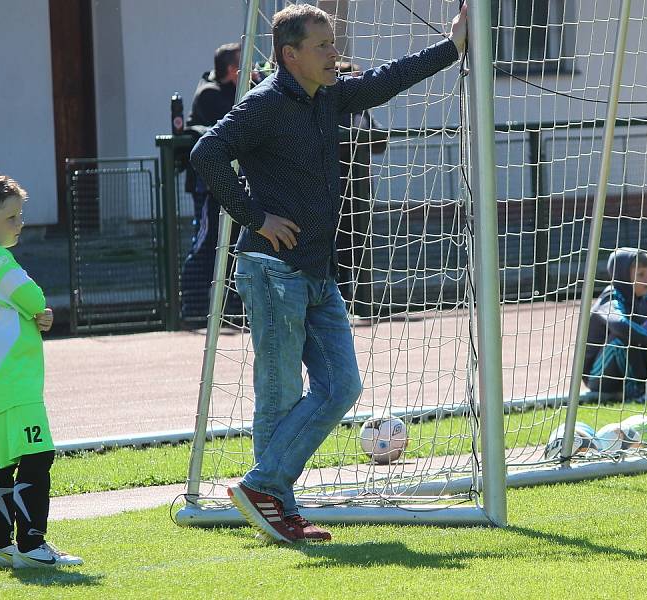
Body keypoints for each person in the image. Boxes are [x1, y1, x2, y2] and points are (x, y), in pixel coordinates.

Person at [191, 3, 468, 543]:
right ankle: (278, 510)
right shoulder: (265, 103)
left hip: (317, 271)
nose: (333, 53)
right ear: (289, 55)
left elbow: (387, 81)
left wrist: (452, 48)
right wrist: (257, 217)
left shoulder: (328, 96)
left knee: (342, 385)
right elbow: (207, 153)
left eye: (333, 43)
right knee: (277, 397)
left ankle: (265, 486)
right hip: (272, 271)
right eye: (323, 46)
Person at [0, 171, 82, 569]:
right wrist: (38, 310)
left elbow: (18, 306)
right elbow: (31, 294)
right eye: (12, 217)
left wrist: (35, 315)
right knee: (38, 454)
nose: (20, 224)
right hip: (13, 383)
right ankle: (31, 546)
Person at [181, 42, 242, 320]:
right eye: (243, 63)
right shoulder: (209, 94)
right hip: (208, 187)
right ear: (232, 69)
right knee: (206, 244)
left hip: (231, 183)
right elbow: (236, 121)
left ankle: (231, 305)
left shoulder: (234, 89)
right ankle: (191, 307)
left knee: (233, 245)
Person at [582, 248, 647, 402]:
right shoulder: (611, 297)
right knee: (623, 338)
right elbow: (620, 324)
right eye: (640, 275)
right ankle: (636, 393)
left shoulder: (644, 300)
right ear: (623, 276)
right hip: (600, 376)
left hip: (631, 371)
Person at [335, 61, 387, 304]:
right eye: (355, 77)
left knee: (361, 243)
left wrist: (362, 140)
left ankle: (363, 300)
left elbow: (380, 141)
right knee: (339, 243)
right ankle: (341, 296)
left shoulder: (361, 109)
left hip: (361, 189)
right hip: (336, 188)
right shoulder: (333, 106)